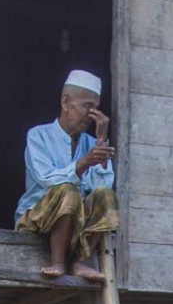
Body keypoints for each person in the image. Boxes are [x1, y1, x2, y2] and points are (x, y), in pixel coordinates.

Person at [15, 71, 118, 282]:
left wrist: (101, 140)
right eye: (87, 106)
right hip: (38, 216)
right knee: (66, 190)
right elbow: (47, 179)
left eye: (95, 109)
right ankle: (58, 261)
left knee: (106, 196)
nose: (92, 115)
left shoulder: (91, 143)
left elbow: (101, 185)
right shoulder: (38, 135)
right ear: (65, 102)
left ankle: (82, 261)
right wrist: (82, 164)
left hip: (77, 225)